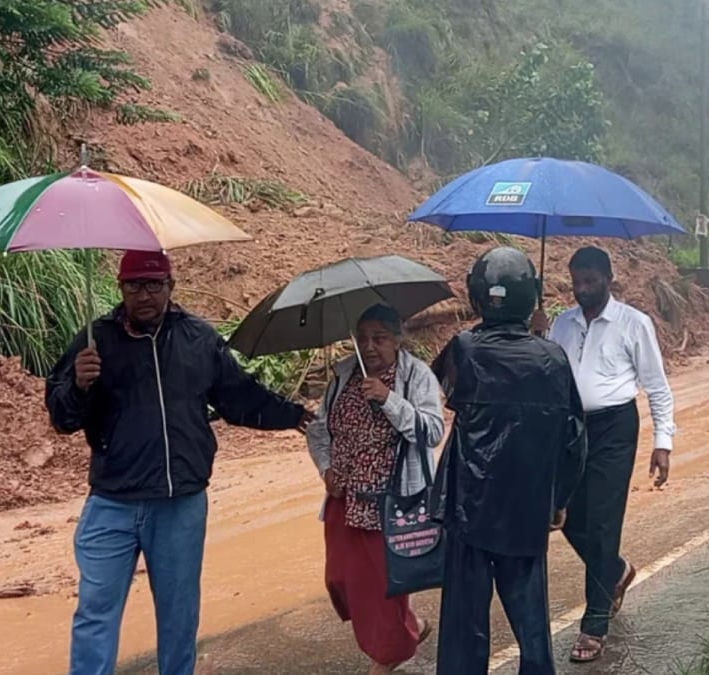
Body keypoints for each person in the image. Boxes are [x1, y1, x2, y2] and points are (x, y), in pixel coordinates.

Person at [45, 249, 312, 675]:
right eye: (134, 285)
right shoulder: (94, 342)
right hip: (112, 503)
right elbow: (62, 418)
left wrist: (293, 415)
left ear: (171, 286)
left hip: (180, 503)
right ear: (121, 289)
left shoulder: (199, 339)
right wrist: (78, 385)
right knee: (96, 613)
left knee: (178, 616)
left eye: (154, 284)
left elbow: (237, 396)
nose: (144, 294)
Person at [431, 246, 588, 675]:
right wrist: (559, 499)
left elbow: (442, 389)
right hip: (527, 506)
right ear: (531, 296)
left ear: (476, 296)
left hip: (471, 507)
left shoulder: (464, 348)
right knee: (531, 622)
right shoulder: (552, 358)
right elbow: (575, 440)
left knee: (465, 625)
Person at [532, 245, 676, 663]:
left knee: (604, 521)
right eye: (576, 281)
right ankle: (614, 570)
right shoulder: (562, 324)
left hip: (615, 428)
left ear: (608, 278)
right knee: (565, 515)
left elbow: (657, 385)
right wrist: (538, 336)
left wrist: (662, 442)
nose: (582, 288)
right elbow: (546, 374)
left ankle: (594, 624)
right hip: (571, 428)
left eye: (590, 280)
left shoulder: (634, 323)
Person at [305, 304, 445, 675]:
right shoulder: (345, 375)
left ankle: (389, 653)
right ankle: (409, 629)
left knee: (382, 585)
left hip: (389, 501)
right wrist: (326, 469)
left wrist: (388, 399)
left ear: (398, 339)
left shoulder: (416, 376)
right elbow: (319, 430)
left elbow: (432, 431)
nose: (369, 347)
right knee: (340, 579)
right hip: (344, 497)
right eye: (363, 338)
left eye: (379, 338)